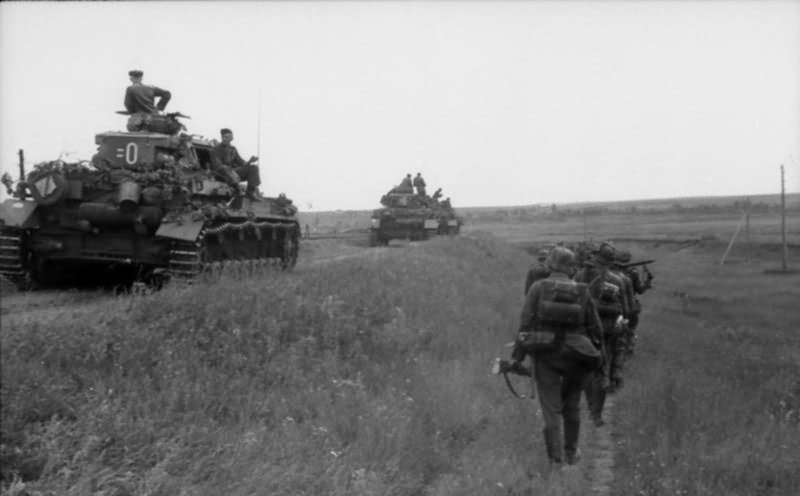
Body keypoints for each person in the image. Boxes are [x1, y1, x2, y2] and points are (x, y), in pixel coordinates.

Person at [512, 247, 603, 467]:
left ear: (551, 265)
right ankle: (571, 453)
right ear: (571, 268)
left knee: (551, 409)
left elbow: (525, 324)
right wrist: (601, 359)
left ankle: (556, 460)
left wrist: (518, 356)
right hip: (577, 356)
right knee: (572, 406)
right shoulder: (582, 291)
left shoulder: (537, 287)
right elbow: (596, 329)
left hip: (545, 355)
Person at [574, 243, 629, 427]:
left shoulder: (581, 274)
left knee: (587, 369)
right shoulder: (617, 280)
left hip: (585, 330)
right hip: (609, 331)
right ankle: (596, 413)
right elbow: (626, 310)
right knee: (603, 370)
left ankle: (589, 407)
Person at [210, 128, 263, 201]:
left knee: (254, 168)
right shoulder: (215, 149)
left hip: (233, 173)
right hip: (221, 174)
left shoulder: (233, 149)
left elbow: (241, 162)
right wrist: (229, 170)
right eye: (223, 137)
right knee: (225, 168)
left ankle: (250, 192)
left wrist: (250, 161)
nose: (224, 139)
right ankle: (238, 190)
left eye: (227, 137)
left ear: (232, 138)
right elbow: (217, 165)